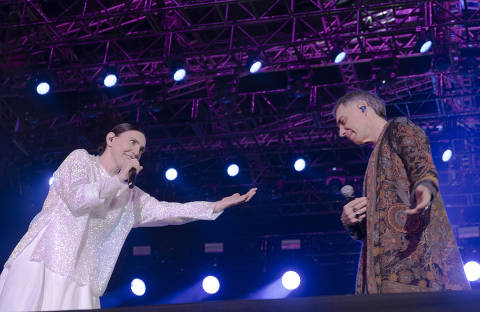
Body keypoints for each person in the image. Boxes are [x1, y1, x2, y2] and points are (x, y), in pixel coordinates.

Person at [0, 123, 257, 311]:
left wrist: (216, 205)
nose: (137, 150)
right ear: (111, 138)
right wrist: (119, 179)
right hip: (44, 258)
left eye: (142, 149)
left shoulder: (130, 196)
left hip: (82, 277)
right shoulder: (80, 160)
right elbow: (79, 199)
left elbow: (168, 211)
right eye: (132, 142)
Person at [334, 90, 470, 294]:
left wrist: (424, 188)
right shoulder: (374, 161)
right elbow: (372, 234)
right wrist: (352, 220)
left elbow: (422, 167)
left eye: (343, 121)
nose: (341, 132)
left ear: (363, 107)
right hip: (381, 285)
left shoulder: (398, 127)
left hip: (415, 275)